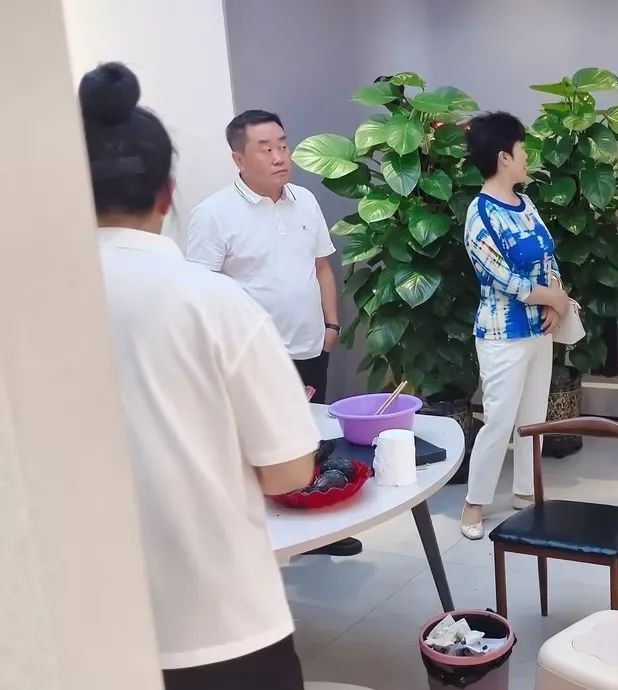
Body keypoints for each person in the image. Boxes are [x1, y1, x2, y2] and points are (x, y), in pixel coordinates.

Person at [83, 62, 316, 690]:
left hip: (84, 629)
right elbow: (289, 471)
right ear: (167, 193)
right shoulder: (215, 302)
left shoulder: (31, 307)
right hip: (222, 622)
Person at [186, 109, 361, 557]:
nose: (280, 156)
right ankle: (257, 540)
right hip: (251, 357)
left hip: (310, 344)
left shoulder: (305, 200)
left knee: (309, 440)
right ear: (238, 158)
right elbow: (200, 292)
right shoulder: (213, 215)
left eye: (283, 145)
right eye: (265, 149)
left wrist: (331, 326)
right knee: (258, 448)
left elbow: (322, 267)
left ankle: (315, 530)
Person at [460, 112, 571, 539]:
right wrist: (552, 298)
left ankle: (526, 490)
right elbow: (498, 277)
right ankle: (474, 504)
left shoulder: (527, 204)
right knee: (499, 420)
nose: (527, 156)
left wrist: (557, 300)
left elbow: (547, 255)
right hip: (501, 334)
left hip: (539, 330)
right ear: (504, 157)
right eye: (522, 148)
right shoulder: (480, 213)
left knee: (533, 417)